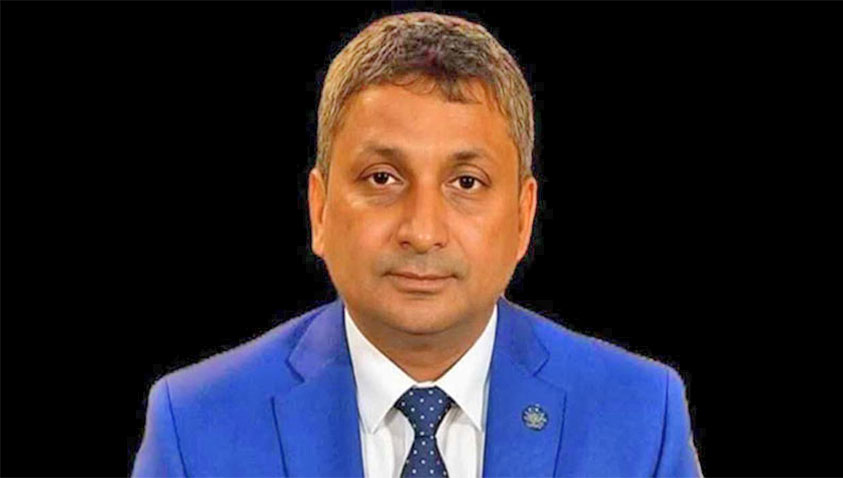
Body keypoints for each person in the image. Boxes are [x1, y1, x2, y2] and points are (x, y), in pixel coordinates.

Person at [131, 11, 703, 478]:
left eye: (466, 183)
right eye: (383, 178)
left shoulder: (640, 417)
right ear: (320, 209)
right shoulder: (196, 425)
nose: (422, 231)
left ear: (523, 217)